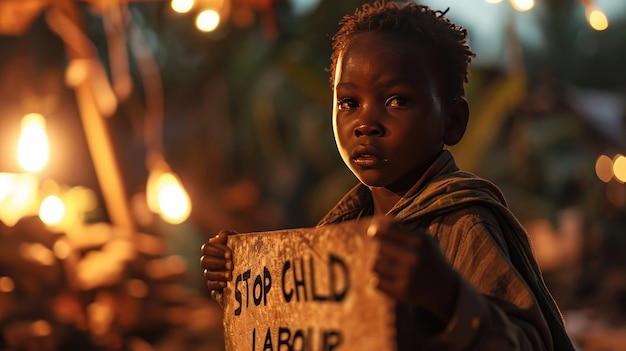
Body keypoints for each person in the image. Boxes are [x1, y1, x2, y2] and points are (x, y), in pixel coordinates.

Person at [201, 1, 576, 350]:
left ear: (453, 121)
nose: (366, 123)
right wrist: (243, 281)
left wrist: (447, 297)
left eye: (397, 100)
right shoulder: (341, 233)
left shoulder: (462, 226)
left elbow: (528, 343)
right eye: (349, 102)